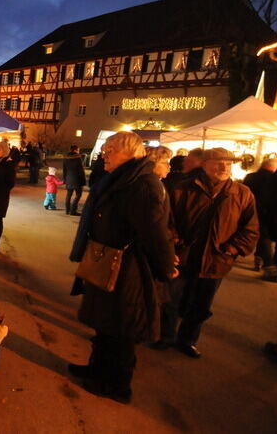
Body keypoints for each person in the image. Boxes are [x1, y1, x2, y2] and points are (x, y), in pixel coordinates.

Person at [67, 131, 176, 403]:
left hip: (129, 269)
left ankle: (116, 385)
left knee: (122, 331)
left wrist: (165, 268)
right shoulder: (121, 177)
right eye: (105, 149)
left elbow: (154, 232)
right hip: (108, 261)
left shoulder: (142, 183)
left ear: (131, 152)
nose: (105, 155)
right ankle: (96, 370)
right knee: (105, 325)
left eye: (111, 150)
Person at [160, 147, 258, 358]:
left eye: (228, 164)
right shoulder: (182, 189)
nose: (224, 167)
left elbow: (250, 229)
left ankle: (188, 340)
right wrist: (173, 241)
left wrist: (232, 249)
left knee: (201, 304)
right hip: (183, 257)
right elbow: (167, 220)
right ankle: (165, 336)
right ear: (204, 165)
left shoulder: (242, 194)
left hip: (216, 261)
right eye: (218, 163)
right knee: (171, 300)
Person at [242, 158, 277, 277]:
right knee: (264, 236)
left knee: (259, 235)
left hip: (250, 210)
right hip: (267, 211)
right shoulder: (271, 178)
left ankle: (259, 259)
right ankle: (269, 264)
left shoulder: (250, 176)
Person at [63, 145, 86, 215]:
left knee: (69, 194)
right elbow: (81, 170)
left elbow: (64, 170)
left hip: (68, 178)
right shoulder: (78, 158)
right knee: (78, 194)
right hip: (77, 179)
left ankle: (67, 210)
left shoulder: (66, 158)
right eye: (78, 150)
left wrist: (65, 179)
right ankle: (73, 210)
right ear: (75, 150)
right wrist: (83, 181)